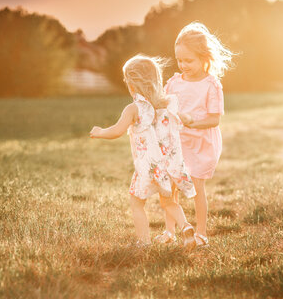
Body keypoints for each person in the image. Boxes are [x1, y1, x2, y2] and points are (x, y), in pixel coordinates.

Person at [90, 54, 197, 249]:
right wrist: (188, 119)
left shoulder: (134, 109)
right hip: (170, 164)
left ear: (132, 85)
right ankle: (186, 226)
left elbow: (117, 131)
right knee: (169, 203)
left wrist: (99, 132)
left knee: (137, 202)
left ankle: (143, 242)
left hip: (149, 167)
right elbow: (184, 117)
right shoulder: (167, 103)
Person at [159, 22, 233, 247]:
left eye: (188, 60)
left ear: (204, 58)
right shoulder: (173, 83)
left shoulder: (211, 85)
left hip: (202, 143)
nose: (183, 65)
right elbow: (164, 107)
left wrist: (192, 122)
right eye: (179, 60)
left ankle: (201, 232)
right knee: (171, 186)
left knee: (196, 187)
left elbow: (214, 119)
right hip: (177, 142)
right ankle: (170, 231)